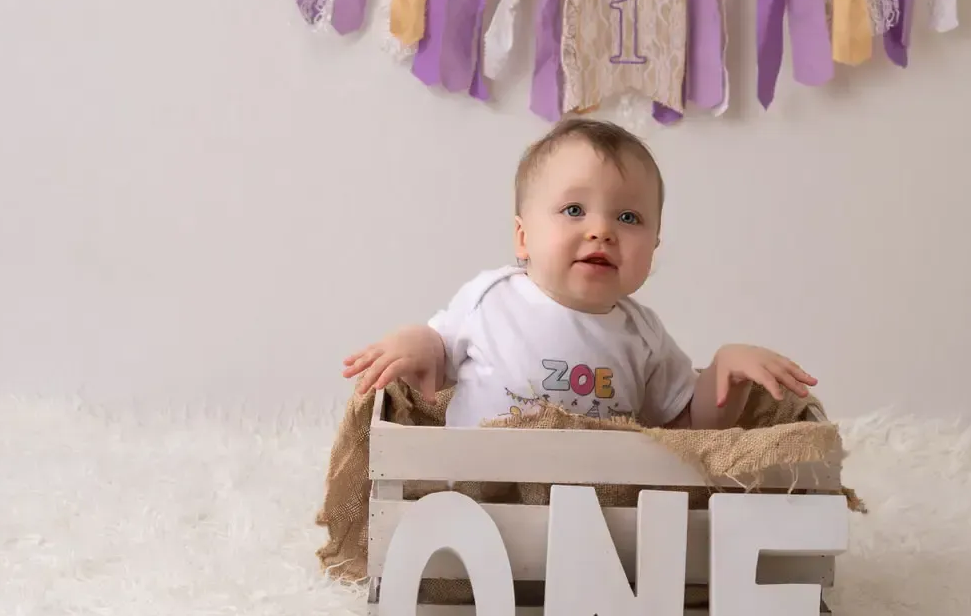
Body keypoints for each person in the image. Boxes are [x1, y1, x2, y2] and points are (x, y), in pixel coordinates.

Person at [342, 118, 817, 429]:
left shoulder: (643, 334)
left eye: (628, 218)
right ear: (523, 238)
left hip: (600, 511)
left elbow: (689, 425)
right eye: (573, 209)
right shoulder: (491, 299)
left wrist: (723, 370)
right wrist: (412, 343)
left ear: (654, 246)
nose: (602, 231)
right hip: (483, 493)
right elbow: (438, 348)